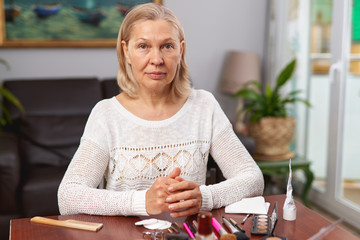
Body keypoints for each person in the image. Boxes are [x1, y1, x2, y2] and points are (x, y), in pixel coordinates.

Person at [58, 3, 264, 218]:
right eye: (143, 46)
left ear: (180, 50)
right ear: (126, 51)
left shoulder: (205, 106)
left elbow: (253, 179)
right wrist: (141, 202)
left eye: (167, 46)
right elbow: (68, 197)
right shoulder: (106, 114)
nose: (156, 60)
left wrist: (205, 197)